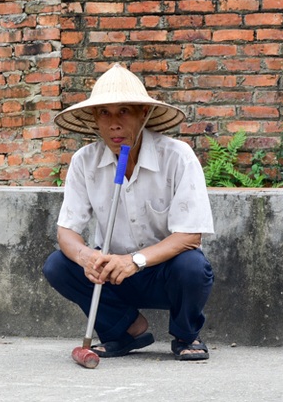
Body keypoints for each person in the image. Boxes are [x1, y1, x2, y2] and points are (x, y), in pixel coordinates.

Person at [42, 63, 215, 361]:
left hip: (164, 272)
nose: (114, 124)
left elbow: (190, 235)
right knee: (58, 265)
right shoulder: (84, 161)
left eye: (124, 111)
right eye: (104, 113)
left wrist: (135, 261)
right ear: (95, 119)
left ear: (142, 114)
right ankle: (126, 330)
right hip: (112, 275)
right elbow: (67, 230)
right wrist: (87, 257)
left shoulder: (177, 157)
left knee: (193, 266)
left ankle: (186, 335)